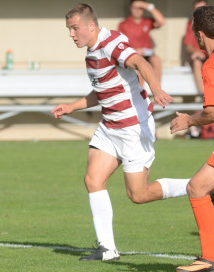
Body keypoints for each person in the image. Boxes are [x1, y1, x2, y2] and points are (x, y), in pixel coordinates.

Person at [52, 3, 190, 261]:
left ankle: (197, 186)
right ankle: (107, 249)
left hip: (132, 128)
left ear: (91, 26)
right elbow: (102, 91)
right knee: (92, 180)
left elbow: (139, 61)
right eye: (69, 29)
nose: (71, 34)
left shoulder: (110, 43)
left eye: (75, 28)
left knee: (138, 195)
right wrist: (72, 106)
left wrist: (156, 88)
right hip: (109, 126)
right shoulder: (91, 53)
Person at [171, 6, 214, 272]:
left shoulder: (210, 66)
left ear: (199, 35)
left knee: (197, 187)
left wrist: (188, 120)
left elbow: (211, 113)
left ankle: (209, 258)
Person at [118, 0, 165, 86]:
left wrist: (147, 6)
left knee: (156, 60)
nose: (137, 10)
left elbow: (162, 21)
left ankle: (157, 91)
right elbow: (120, 44)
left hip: (147, 55)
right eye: (135, 8)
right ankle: (140, 94)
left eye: (140, 8)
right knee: (139, 65)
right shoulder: (123, 24)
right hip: (133, 55)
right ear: (130, 8)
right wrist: (135, 50)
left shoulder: (147, 21)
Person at [183, 0, 208, 97]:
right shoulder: (191, 24)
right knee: (197, 60)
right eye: (197, 10)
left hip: (211, 57)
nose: (200, 12)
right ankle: (204, 97)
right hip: (200, 58)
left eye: (202, 9)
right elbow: (188, 45)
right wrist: (196, 52)